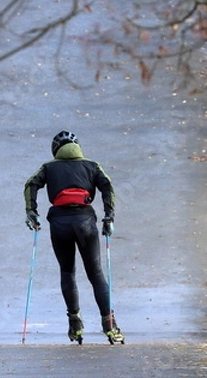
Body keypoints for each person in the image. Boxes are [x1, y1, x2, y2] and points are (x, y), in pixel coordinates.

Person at [23, 130, 124, 344]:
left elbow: (31, 184)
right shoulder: (92, 166)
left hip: (59, 224)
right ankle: (109, 324)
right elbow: (108, 187)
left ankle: (75, 323)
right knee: (96, 273)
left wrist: (31, 212)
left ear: (55, 149)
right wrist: (109, 216)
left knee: (67, 272)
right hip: (85, 223)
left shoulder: (48, 167)